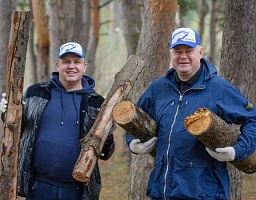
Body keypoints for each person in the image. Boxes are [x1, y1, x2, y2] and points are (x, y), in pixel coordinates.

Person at [126, 27, 256, 199]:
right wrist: (132, 144)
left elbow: (252, 118)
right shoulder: (159, 88)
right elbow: (134, 118)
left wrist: (237, 150)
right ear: (171, 53)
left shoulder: (218, 88)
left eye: (189, 51)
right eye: (177, 51)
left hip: (203, 192)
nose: (183, 56)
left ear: (200, 52)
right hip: (161, 192)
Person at [0, 42, 115, 200]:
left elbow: (105, 153)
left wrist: (108, 134)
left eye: (77, 62)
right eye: (66, 61)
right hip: (38, 186)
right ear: (57, 65)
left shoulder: (97, 103)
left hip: (76, 189)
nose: (71, 66)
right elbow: (18, 129)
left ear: (84, 66)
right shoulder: (36, 93)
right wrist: (7, 113)